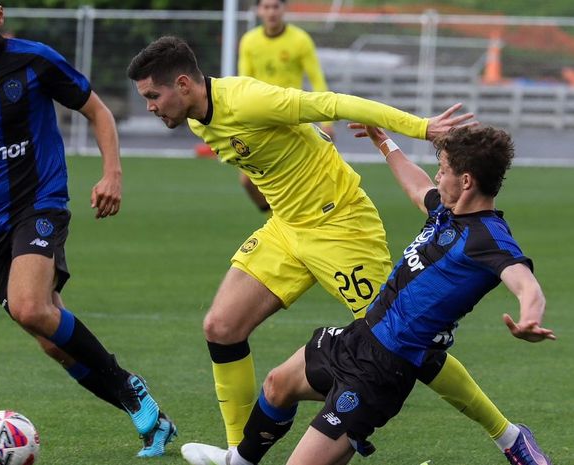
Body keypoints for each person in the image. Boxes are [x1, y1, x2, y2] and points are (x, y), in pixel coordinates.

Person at [127, 36, 523, 461]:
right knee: (221, 327)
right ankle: (237, 454)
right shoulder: (198, 120)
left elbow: (334, 103)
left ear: (183, 84)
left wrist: (419, 127)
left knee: (406, 342)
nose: (150, 105)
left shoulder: (248, 100)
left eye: (154, 95)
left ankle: (508, 436)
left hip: (340, 226)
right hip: (287, 228)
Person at [177, 124, 556, 465]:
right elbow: (416, 186)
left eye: (444, 171)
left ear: (467, 181)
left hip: (380, 373)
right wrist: (385, 143)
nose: (438, 178)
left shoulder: (487, 237)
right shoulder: (448, 210)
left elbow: (525, 282)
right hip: (356, 339)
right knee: (278, 385)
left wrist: (530, 318)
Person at [0, 0, 176, 457]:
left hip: (38, 203)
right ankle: (154, 422)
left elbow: (98, 111)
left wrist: (113, 173)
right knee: (53, 343)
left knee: (31, 308)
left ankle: (130, 388)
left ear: (1, 17)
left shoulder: (34, 59)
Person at [237, 0, 334, 213]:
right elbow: (243, 83)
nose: (271, 12)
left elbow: (317, 79)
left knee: (298, 182)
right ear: (259, 10)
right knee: (247, 181)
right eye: (266, 7)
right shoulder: (249, 41)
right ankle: (275, 218)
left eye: (275, 6)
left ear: (284, 9)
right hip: (261, 120)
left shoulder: (300, 40)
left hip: (291, 119)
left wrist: (326, 122)